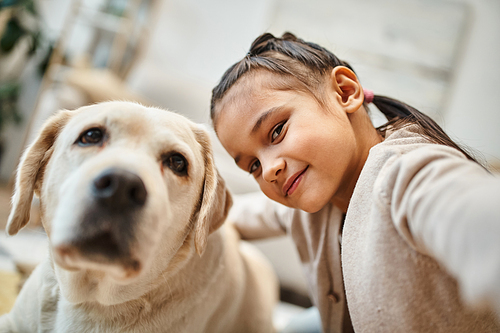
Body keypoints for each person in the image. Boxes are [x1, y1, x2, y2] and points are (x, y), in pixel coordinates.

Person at [210, 32, 500, 332]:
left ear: (345, 92)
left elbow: (466, 210)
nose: (269, 170)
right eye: (253, 166)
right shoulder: (307, 201)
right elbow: (237, 215)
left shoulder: (406, 176)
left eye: (277, 131)